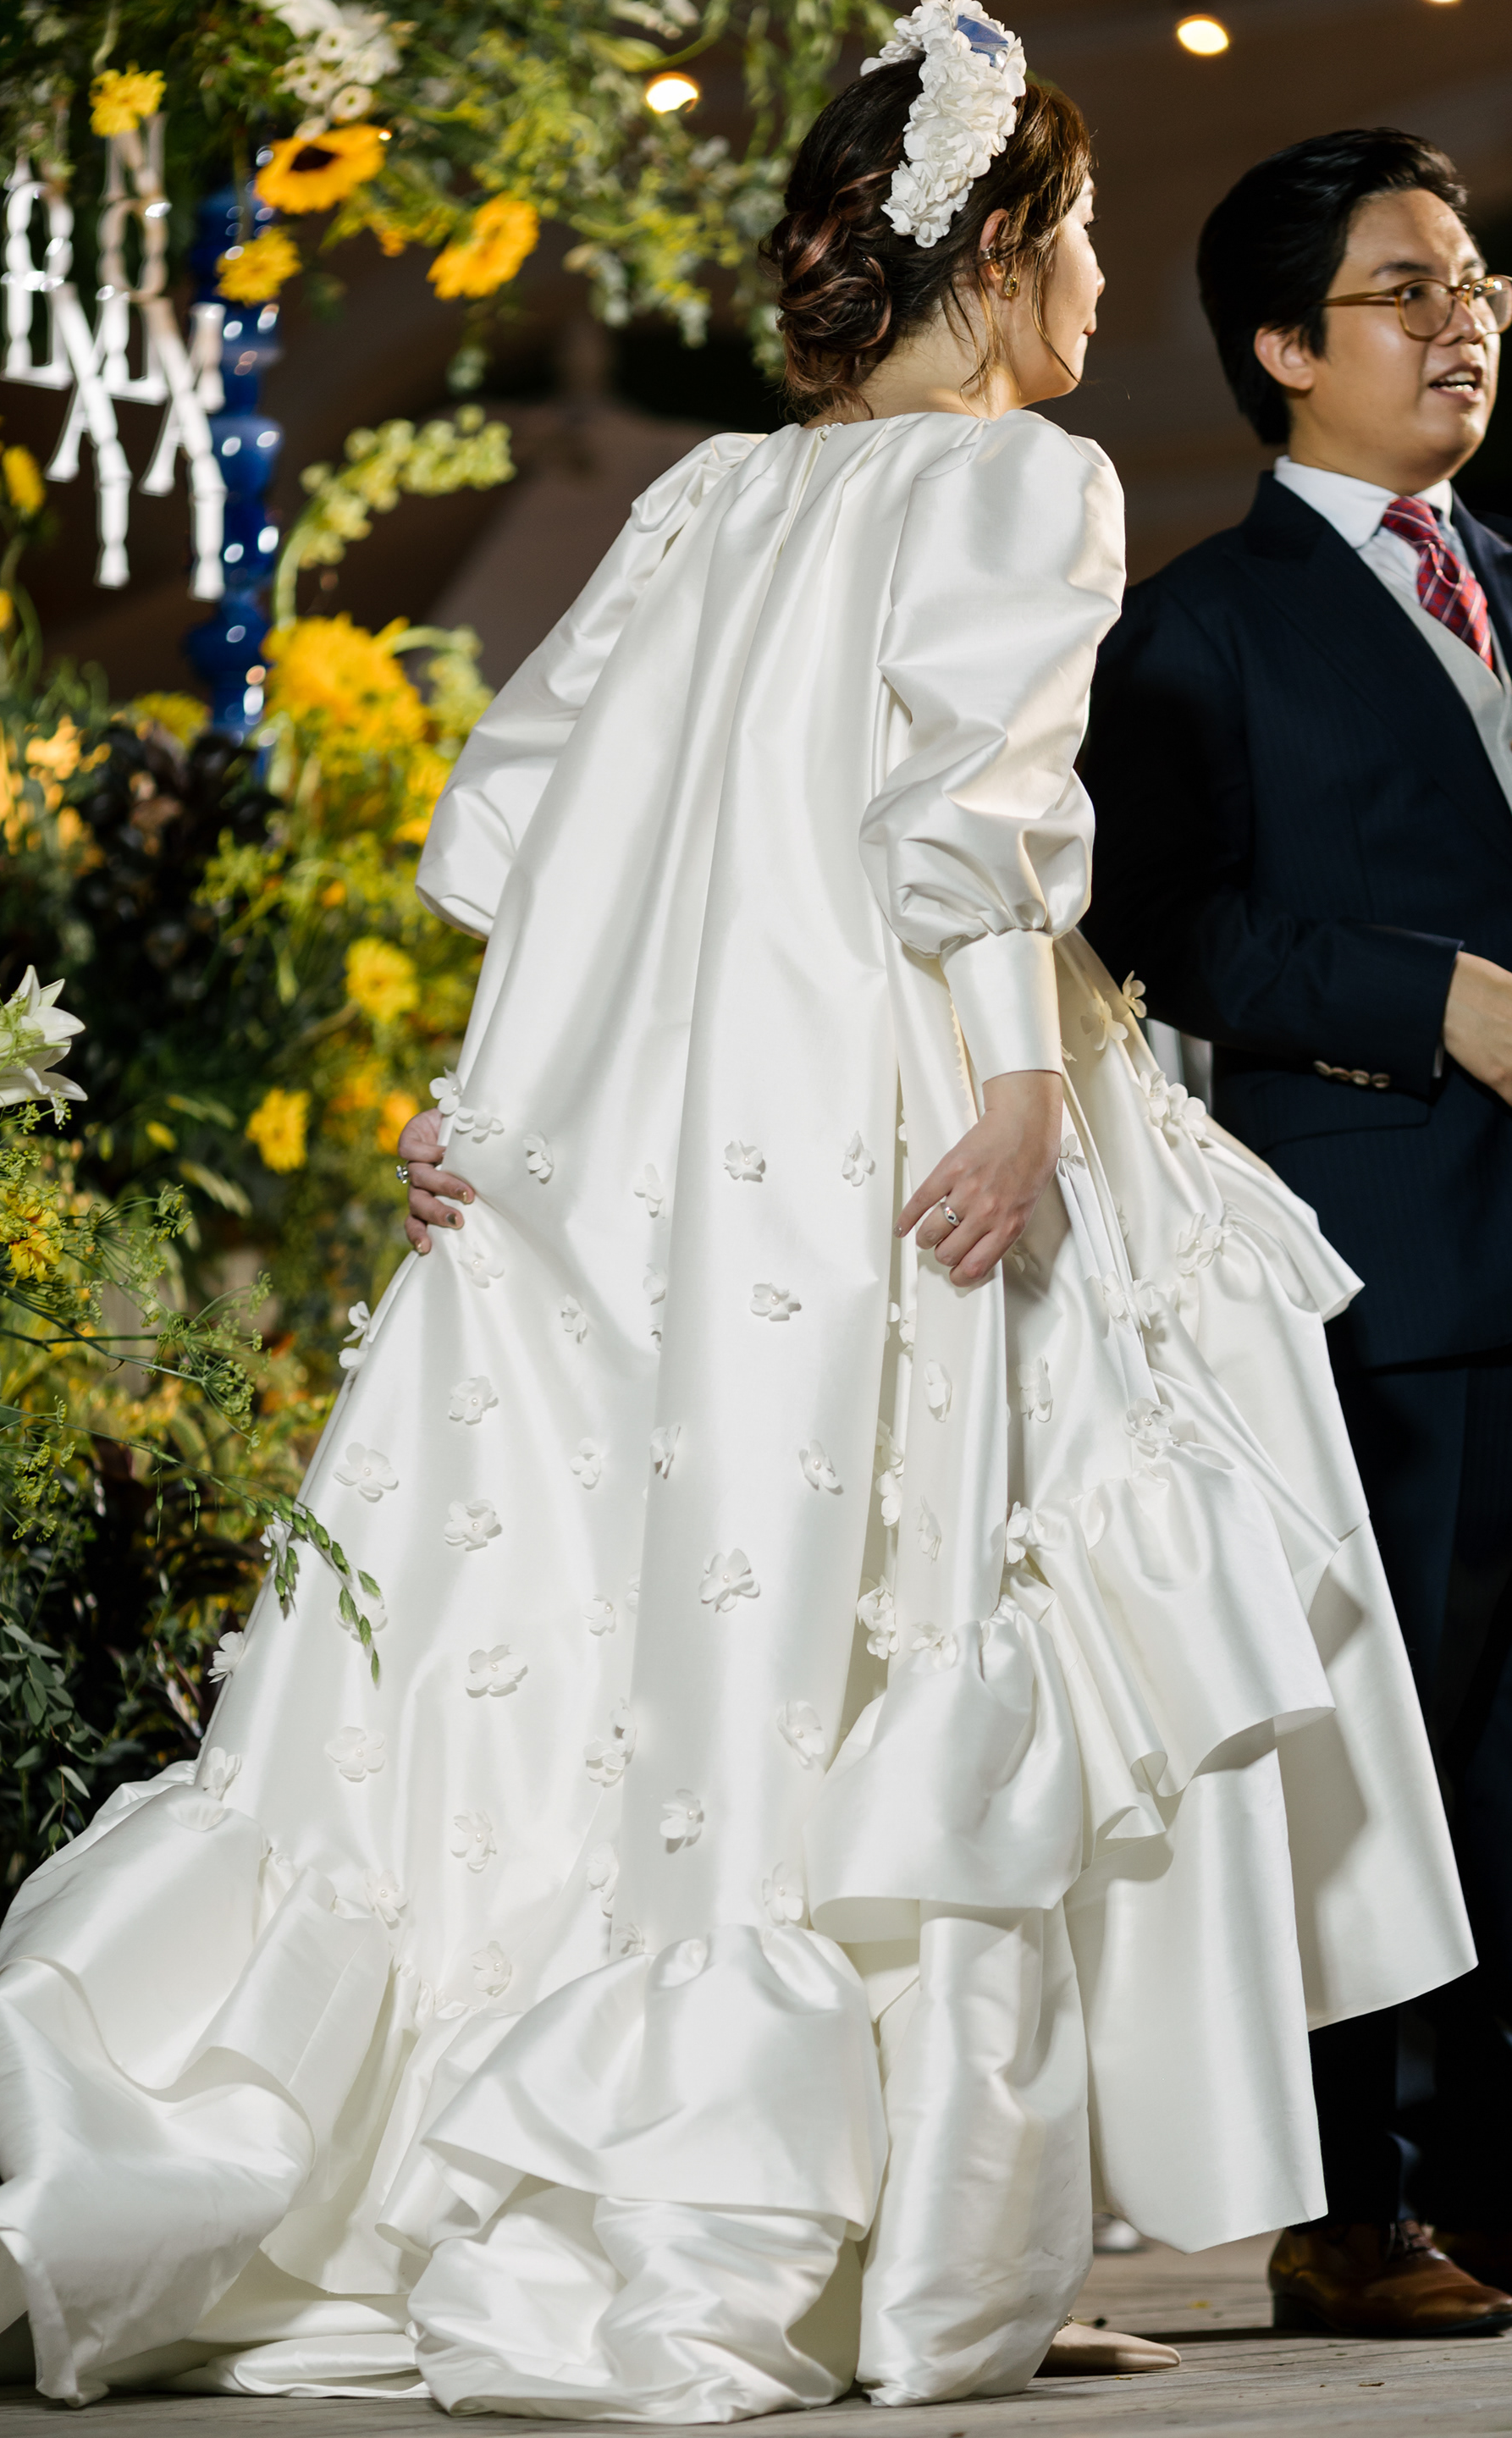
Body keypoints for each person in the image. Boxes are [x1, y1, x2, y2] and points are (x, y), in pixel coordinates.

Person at [0, 27, 1475, 2418]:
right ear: (997, 255)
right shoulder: (1019, 479)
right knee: (928, 1600)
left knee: (664, 1625)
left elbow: (520, 811)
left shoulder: (712, 495)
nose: (1090, 286)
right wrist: (1021, 1090)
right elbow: (970, 813)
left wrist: (488, 1097)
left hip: (654, 1124)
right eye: (1071, 241)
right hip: (898, 1101)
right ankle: (905, 2234)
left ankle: (777, 2212)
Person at [1084, 128, 1512, 2341]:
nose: (1464, 323)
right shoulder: (1198, 627)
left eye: (1477, 285)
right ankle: (1359, 2208)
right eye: (1405, 290)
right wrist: (1429, 996)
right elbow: (1156, 929)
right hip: (1380, 1263)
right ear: (1280, 344)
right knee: (1390, 1742)